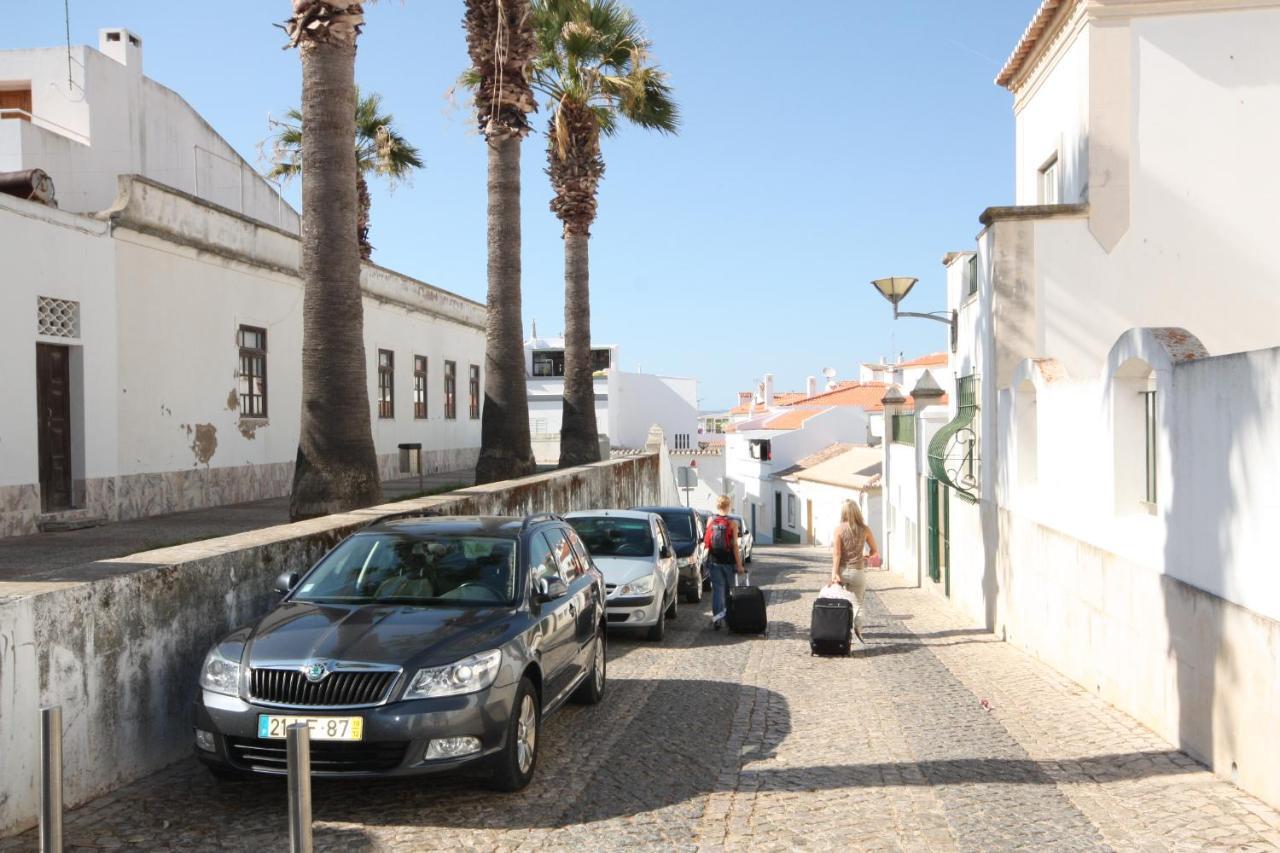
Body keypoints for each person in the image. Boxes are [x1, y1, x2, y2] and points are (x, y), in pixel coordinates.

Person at [830, 499, 880, 642]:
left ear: (843, 512)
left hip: (842, 571)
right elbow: (875, 551)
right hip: (858, 571)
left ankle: (841, 629)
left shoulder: (839, 529)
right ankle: (857, 628)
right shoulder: (865, 529)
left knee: (840, 602)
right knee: (858, 603)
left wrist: (834, 573)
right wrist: (865, 555)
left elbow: (837, 554)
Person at [703, 494, 745, 630]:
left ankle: (717, 619)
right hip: (728, 562)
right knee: (728, 591)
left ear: (717, 505)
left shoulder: (710, 520)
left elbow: (706, 543)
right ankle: (729, 618)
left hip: (714, 561)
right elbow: (734, 546)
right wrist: (739, 565)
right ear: (729, 506)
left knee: (717, 591)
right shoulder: (733, 523)